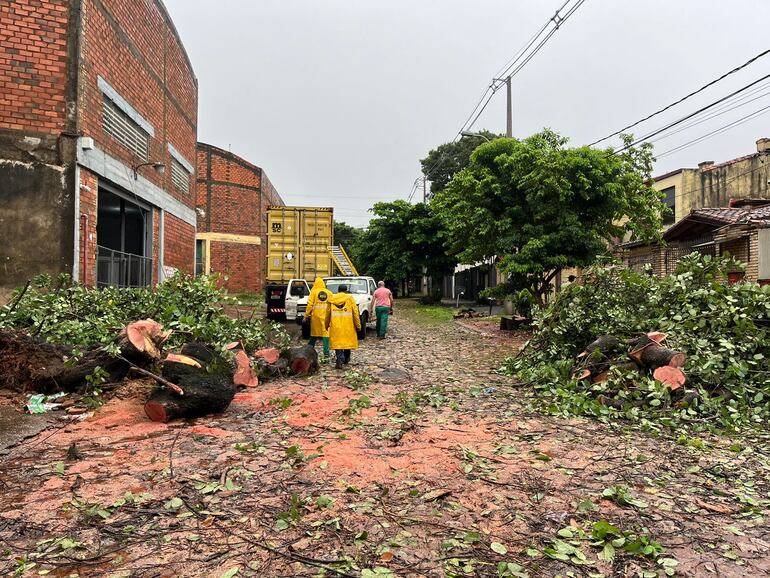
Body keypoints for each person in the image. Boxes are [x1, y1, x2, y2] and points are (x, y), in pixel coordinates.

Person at [325, 284, 361, 369]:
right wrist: (358, 325)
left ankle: (339, 359)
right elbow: (355, 313)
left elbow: (327, 314)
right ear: (346, 290)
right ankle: (346, 358)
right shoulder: (350, 299)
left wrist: (326, 325)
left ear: (338, 290)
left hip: (335, 326)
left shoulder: (331, 300)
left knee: (338, 344)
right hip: (348, 326)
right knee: (346, 343)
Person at [305, 277, 331, 360]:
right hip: (326, 317)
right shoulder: (329, 293)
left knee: (314, 334)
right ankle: (326, 353)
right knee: (326, 334)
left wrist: (306, 316)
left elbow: (309, 305)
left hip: (316, 316)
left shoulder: (313, 292)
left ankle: (308, 350)